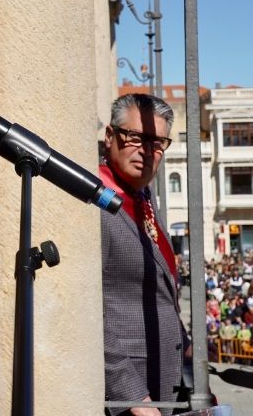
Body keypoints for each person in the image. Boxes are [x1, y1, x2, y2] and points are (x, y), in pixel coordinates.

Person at [100, 94, 186, 416]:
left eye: (158, 142)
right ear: (111, 136)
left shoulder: (144, 197)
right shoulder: (96, 202)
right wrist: (132, 395)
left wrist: (184, 343)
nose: (147, 150)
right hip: (129, 397)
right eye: (135, 137)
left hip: (164, 378)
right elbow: (91, 311)